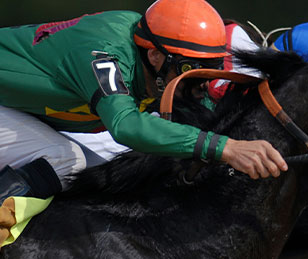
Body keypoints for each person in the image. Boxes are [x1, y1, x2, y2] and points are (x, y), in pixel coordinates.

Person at [0, 0, 288, 212]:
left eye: (208, 71)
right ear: (154, 56)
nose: (199, 82)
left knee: (102, 172)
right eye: (191, 68)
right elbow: (125, 126)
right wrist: (225, 147)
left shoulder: (151, 49)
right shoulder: (104, 55)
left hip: (11, 107)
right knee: (67, 161)